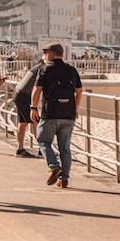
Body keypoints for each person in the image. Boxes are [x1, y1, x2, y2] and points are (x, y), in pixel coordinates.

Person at [31, 43, 83, 188]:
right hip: (68, 114)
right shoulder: (71, 70)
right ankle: (64, 179)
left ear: (51, 54)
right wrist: (76, 108)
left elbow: (37, 90)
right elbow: (79, 91)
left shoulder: (45, 69)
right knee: (64, 147)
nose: (44, 56)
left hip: (50, 113)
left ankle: (53, 166)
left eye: (45, 53)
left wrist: (33, 108)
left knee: (43, 140)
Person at [11, 61, 45, 158]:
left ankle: (20, 148)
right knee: (35, 121)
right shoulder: (43, 68)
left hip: (19, 93)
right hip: (24, 95)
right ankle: (42, 148)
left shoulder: (38, 66)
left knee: (23, 122)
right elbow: (39, 87)